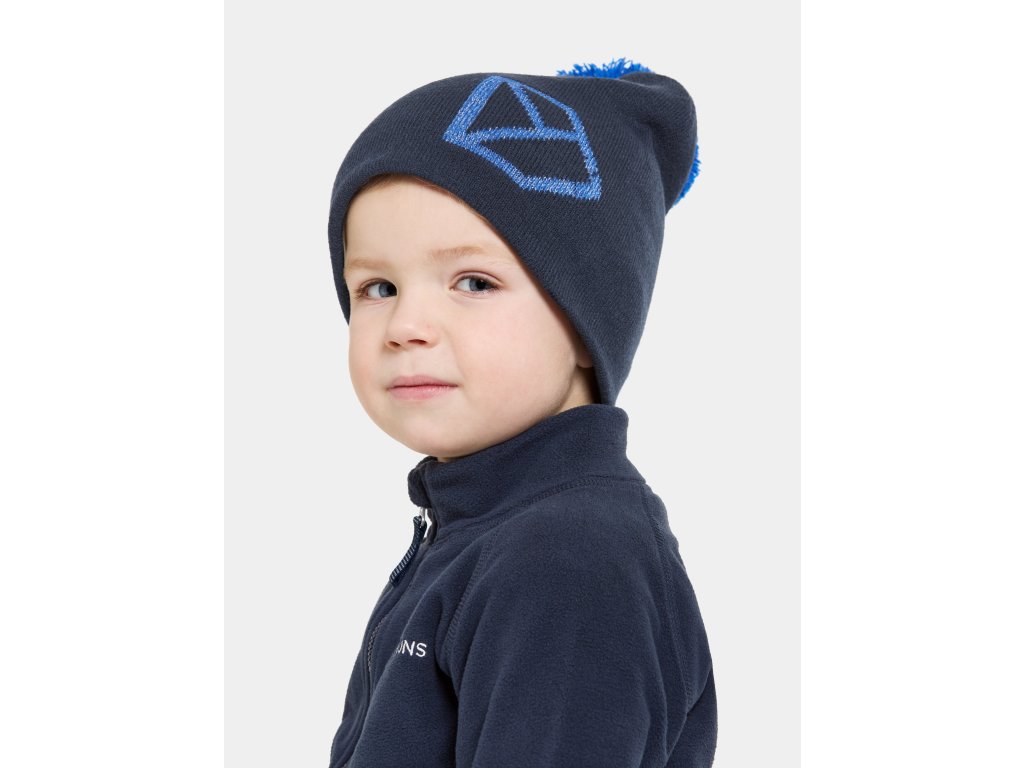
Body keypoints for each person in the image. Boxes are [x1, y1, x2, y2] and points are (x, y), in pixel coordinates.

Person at [325, 57, 717, 767]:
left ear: (587, 322)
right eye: (378, 287)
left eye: (473, 282)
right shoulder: (484, 529)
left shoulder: (569, 560)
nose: (406, 325)